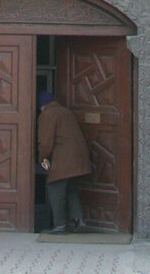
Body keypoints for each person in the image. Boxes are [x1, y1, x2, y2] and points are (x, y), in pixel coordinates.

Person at [36, 90, 92, 233]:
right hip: (78, 159)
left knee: (55, 189)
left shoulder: (47, 115)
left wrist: (41, 159)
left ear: (42, 106)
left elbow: (46, 143)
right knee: (71, 190)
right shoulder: (65, 112)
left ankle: (60, 225)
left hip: (63, 160)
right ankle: (78, 220)